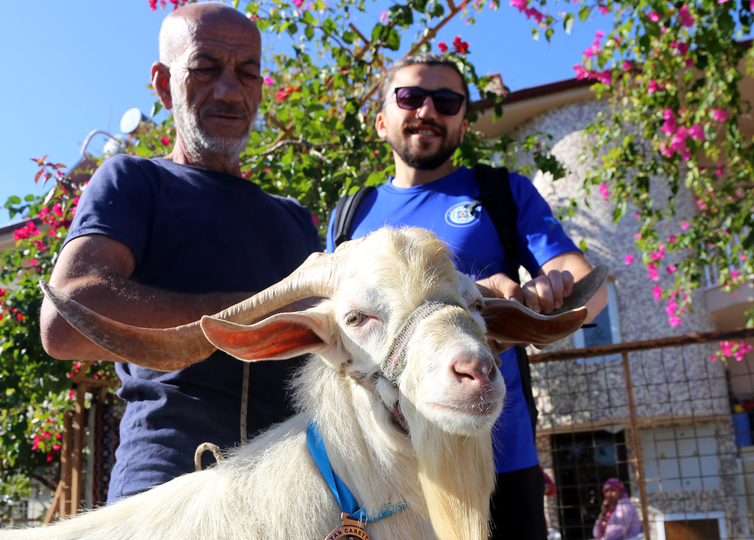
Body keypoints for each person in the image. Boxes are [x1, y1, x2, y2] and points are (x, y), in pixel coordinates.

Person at [40, 3, 321, 503]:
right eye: (205, 68)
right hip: (172, 487)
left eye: (247, 72)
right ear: (163, 83)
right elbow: (66, 318)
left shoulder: (296, 217)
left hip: (298, 495)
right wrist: (255, 315)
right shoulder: (134, 180)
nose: (229, 90)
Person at [325, 53, 608, 540]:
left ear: (462, 122)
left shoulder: (501, 192)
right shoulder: (351, 215)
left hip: (497, 458)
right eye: (410, 96)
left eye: (447, 100)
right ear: (381, 120)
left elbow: (587, 289)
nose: (428, 110)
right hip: (385, 471)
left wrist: (550, 289)